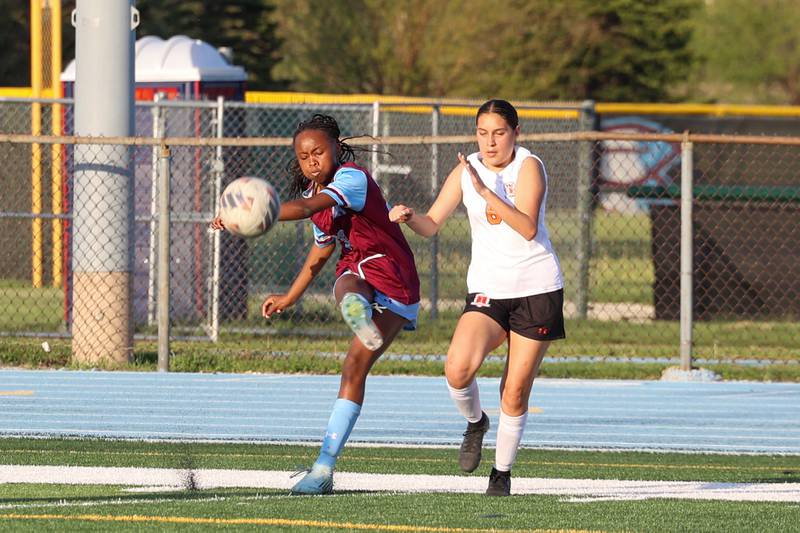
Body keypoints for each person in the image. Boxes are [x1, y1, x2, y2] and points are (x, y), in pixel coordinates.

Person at [213, 114, 420, 495]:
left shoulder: (352, 179)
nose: (311, 161)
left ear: (337, 149)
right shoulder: (315, 198)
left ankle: (358, 311)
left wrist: (257, 211)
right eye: (304, 156)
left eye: (318, 152)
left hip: (394, 277)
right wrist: (289, 297)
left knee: (354, 344)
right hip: (357, 266)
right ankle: (324, 468)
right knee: (347, 301)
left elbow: (309, 208)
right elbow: (321, 252)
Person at [389, 99, 564, 496]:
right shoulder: (466, 169)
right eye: (482, 133)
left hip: (537, 289)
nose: (490, 142)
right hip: (489, 289)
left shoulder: (529, 166)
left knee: (515, 389)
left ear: (516, 134)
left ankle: (501, 473)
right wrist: (408, 217)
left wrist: (485, 191)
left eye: (499, 133)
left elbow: (528, 228)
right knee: (457, 369)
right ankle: (475, 422)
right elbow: (431, 225)